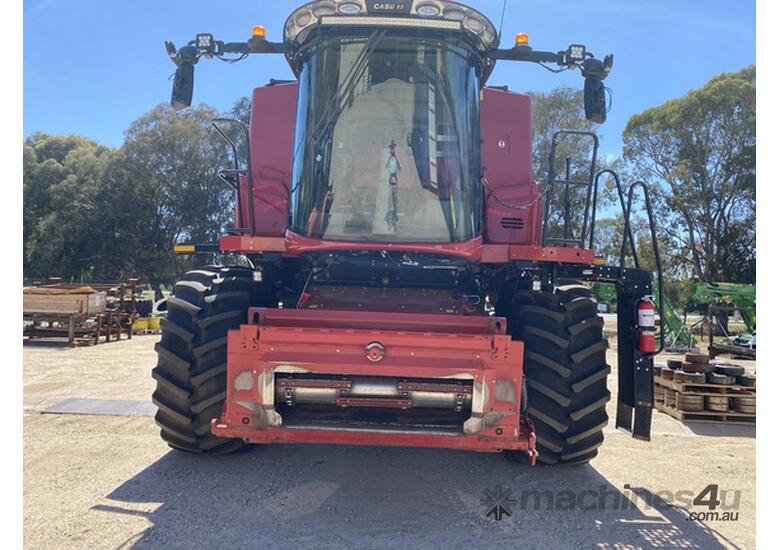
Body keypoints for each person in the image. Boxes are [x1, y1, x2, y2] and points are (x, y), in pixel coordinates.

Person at [385, 140, 401, 230]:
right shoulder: (388, 155)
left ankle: (394, 223)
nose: (392, 149)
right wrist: (390, 156)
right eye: (391, 147)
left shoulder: (396, 155)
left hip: (395, 179)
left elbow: (400, 165)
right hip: (390, 180)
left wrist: (396, 158)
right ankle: (389, 224)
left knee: (395, 202)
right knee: (390, 202)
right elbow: (386, 165)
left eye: (393, 147)